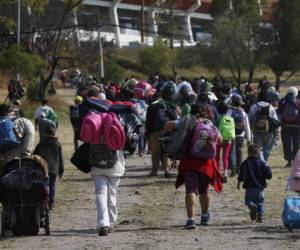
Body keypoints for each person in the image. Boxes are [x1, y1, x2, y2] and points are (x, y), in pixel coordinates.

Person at [167, 104, 223, 229]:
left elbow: (169, 125)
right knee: (204, 190)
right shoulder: (211, 124)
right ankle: (204, 216)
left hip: (190, 160)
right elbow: (220, 140)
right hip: (206, 162)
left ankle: (191, 220)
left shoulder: (189, 120)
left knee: (191, 190)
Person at [146, 82, 178, 177]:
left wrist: (148, 134)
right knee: (166, 151)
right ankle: (166, 171)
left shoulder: (153, 104)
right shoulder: (171, 105)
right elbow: (174, 118)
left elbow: (148, 120)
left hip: (154, 131)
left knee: (155, 151)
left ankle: (154, 171)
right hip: (167, 129)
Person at [90, 149, 125, 236]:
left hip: (97, 165)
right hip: (115, 167)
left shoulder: (94, 134)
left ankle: (103, 224)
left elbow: (83, 137)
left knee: (101, 195)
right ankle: (111, 223)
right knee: (112, 195)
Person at [237, 144, 272, 223]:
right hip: (260, 188)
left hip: (249, 187)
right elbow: (269, 175)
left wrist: (239, 182)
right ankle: (260, 216)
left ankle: (252, 206)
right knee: (260, 202)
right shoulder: (262, 163)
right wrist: (268, 169)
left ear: (248, 152)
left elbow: (242, 175)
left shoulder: (245, 163)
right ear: (258, 153)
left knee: (248, 200)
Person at [34, 126, 64, 209]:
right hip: (54, 168)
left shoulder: (41, 143)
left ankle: (44, 202)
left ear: (45, 133)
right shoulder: (58, 143)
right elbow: (60, 158)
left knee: (44, 185)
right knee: (52, 185)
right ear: (54, 133)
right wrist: (61, 170)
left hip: (43, 168)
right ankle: (51, 203)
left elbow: (34, 154)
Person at [248, 93, 279, 163]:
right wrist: (276, 134)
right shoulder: (271, 107)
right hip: (269, 132)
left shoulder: (254, 106)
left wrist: (251, 131)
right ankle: (264, 162)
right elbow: (275, 121)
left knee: (258, 149)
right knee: (267, 149)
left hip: (257, 132)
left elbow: (249, 120)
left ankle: (261, 162)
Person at [228, 94, 251, 176]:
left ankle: (233, 167)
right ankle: (239, 169)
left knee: (231, 152)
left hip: (231, 135)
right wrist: (248, 138)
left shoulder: (229, 112)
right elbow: (247, 127)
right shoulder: (243, 113)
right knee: (239, 151)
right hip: (241, 135)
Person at [278, 87, 300, 167]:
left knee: (286, 143)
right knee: (296, 143)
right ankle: (295, 160)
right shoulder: (298, 102)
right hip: (297, 126)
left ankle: (289, 161)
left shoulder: (282, 101)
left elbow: (279, 113)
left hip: (285, 125)